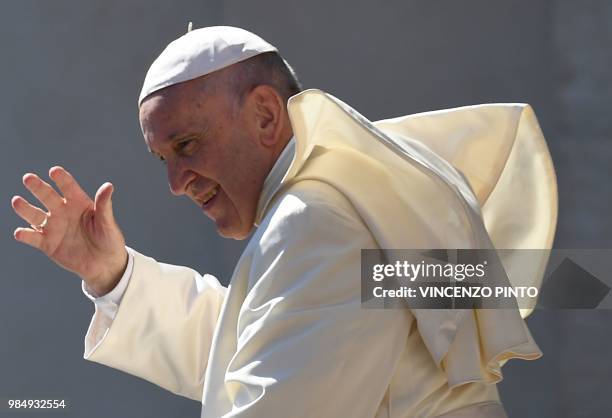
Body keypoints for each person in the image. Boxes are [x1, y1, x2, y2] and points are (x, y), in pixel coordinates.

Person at [11, 26, 557, 417]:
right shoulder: (340, 202)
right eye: (164, 160)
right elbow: (252, 348)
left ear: (267, 115)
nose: (177, 182)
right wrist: (115, 275)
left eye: (188, 144)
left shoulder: (317, 220)